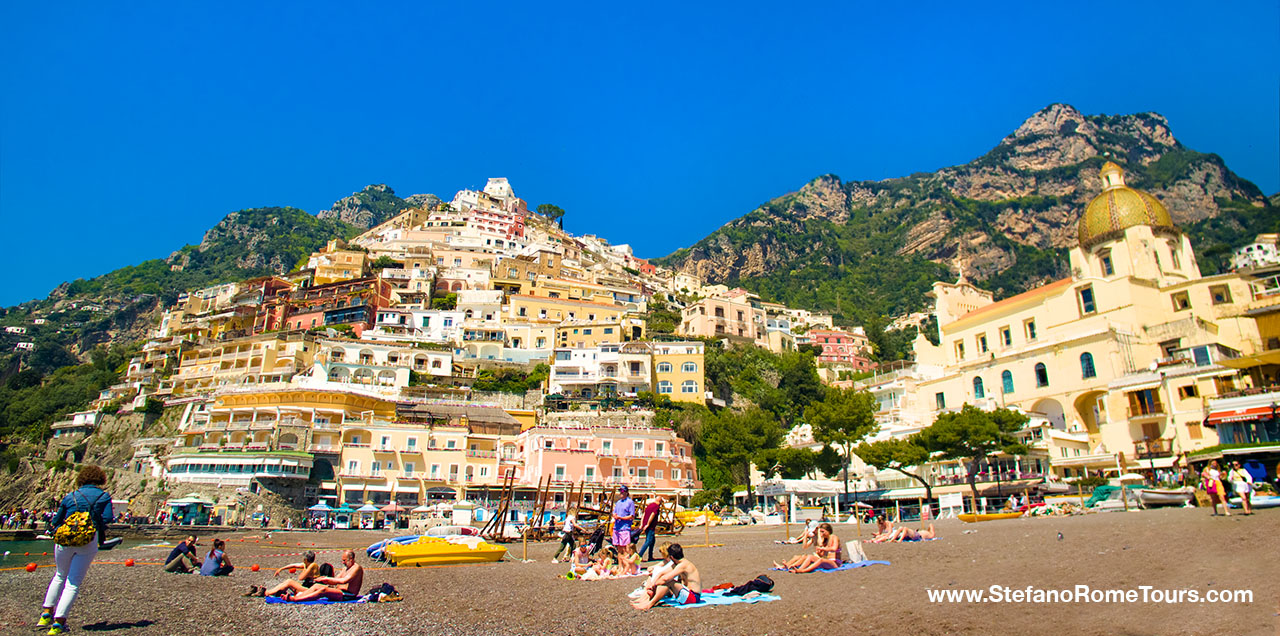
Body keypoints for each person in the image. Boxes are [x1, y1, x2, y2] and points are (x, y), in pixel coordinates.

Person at [38, 465, 113, 635]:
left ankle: (45, 614)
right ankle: (58, 623)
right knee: (73, 583)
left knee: (59, 575)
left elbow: (57, 520)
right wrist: (93, 523)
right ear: (100, 479)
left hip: (64, 539)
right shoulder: (103, 496)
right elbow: (108, 518)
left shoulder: (71, 496)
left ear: (82, 479)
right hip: (87, 541)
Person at [630, 543, 701, 610]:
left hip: (693, 597)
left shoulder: (683, 565)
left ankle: (649, 604)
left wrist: (654, 584)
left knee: (668, 582)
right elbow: (662, 573)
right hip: (686, 594)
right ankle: (645, 601)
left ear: (672, 557)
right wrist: (652, 583)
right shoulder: (678, 563)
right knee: (660, 580)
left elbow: (666, 578)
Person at [286, 550, 363, 602]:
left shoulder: (356, 568)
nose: (343, 562)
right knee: (317, 586)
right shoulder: (345, 568)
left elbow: (344, 581)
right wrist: (324, 579)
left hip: (348, 595)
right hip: (340, 592)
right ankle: (300, 596)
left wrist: (327, 578)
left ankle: (296, 599)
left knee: (323, 590)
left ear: (351, 559)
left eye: (344, 560)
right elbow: (335, 580)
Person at [251, 551, 322, 597]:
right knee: (286, 583)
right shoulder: (307, 565)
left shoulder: (313, 565)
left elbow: (301, 577)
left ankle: (266, 593)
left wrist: (304, 569)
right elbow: (294, 565)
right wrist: (281, 569)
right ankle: (268, 592)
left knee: (289, 582)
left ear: (306, 560)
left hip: (312, 589)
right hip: (307, 587)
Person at [637, 495, 664, 561]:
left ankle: (650, 556)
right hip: (650, 526)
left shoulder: (649, 505)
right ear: (660, 501)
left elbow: (644, 514)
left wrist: (642, 524)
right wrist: (648, 524)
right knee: (648, 541)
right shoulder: (656, 507)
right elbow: (652, 514)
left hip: (646, 524)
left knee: (652, 541)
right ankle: (639, 555)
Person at [611, 486, 636, 555]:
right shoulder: (618, 502)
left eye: (622, 491)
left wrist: (621, 518)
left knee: (625, 549)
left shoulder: (630, 502)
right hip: (617, 527)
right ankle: (620, 565)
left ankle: (626, 564)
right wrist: (614, 515)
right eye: (620, 491)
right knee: (619, 549)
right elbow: (614, 512)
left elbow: (632, 516)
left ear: (626, 492)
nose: (620, 493)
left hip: (625, 528)